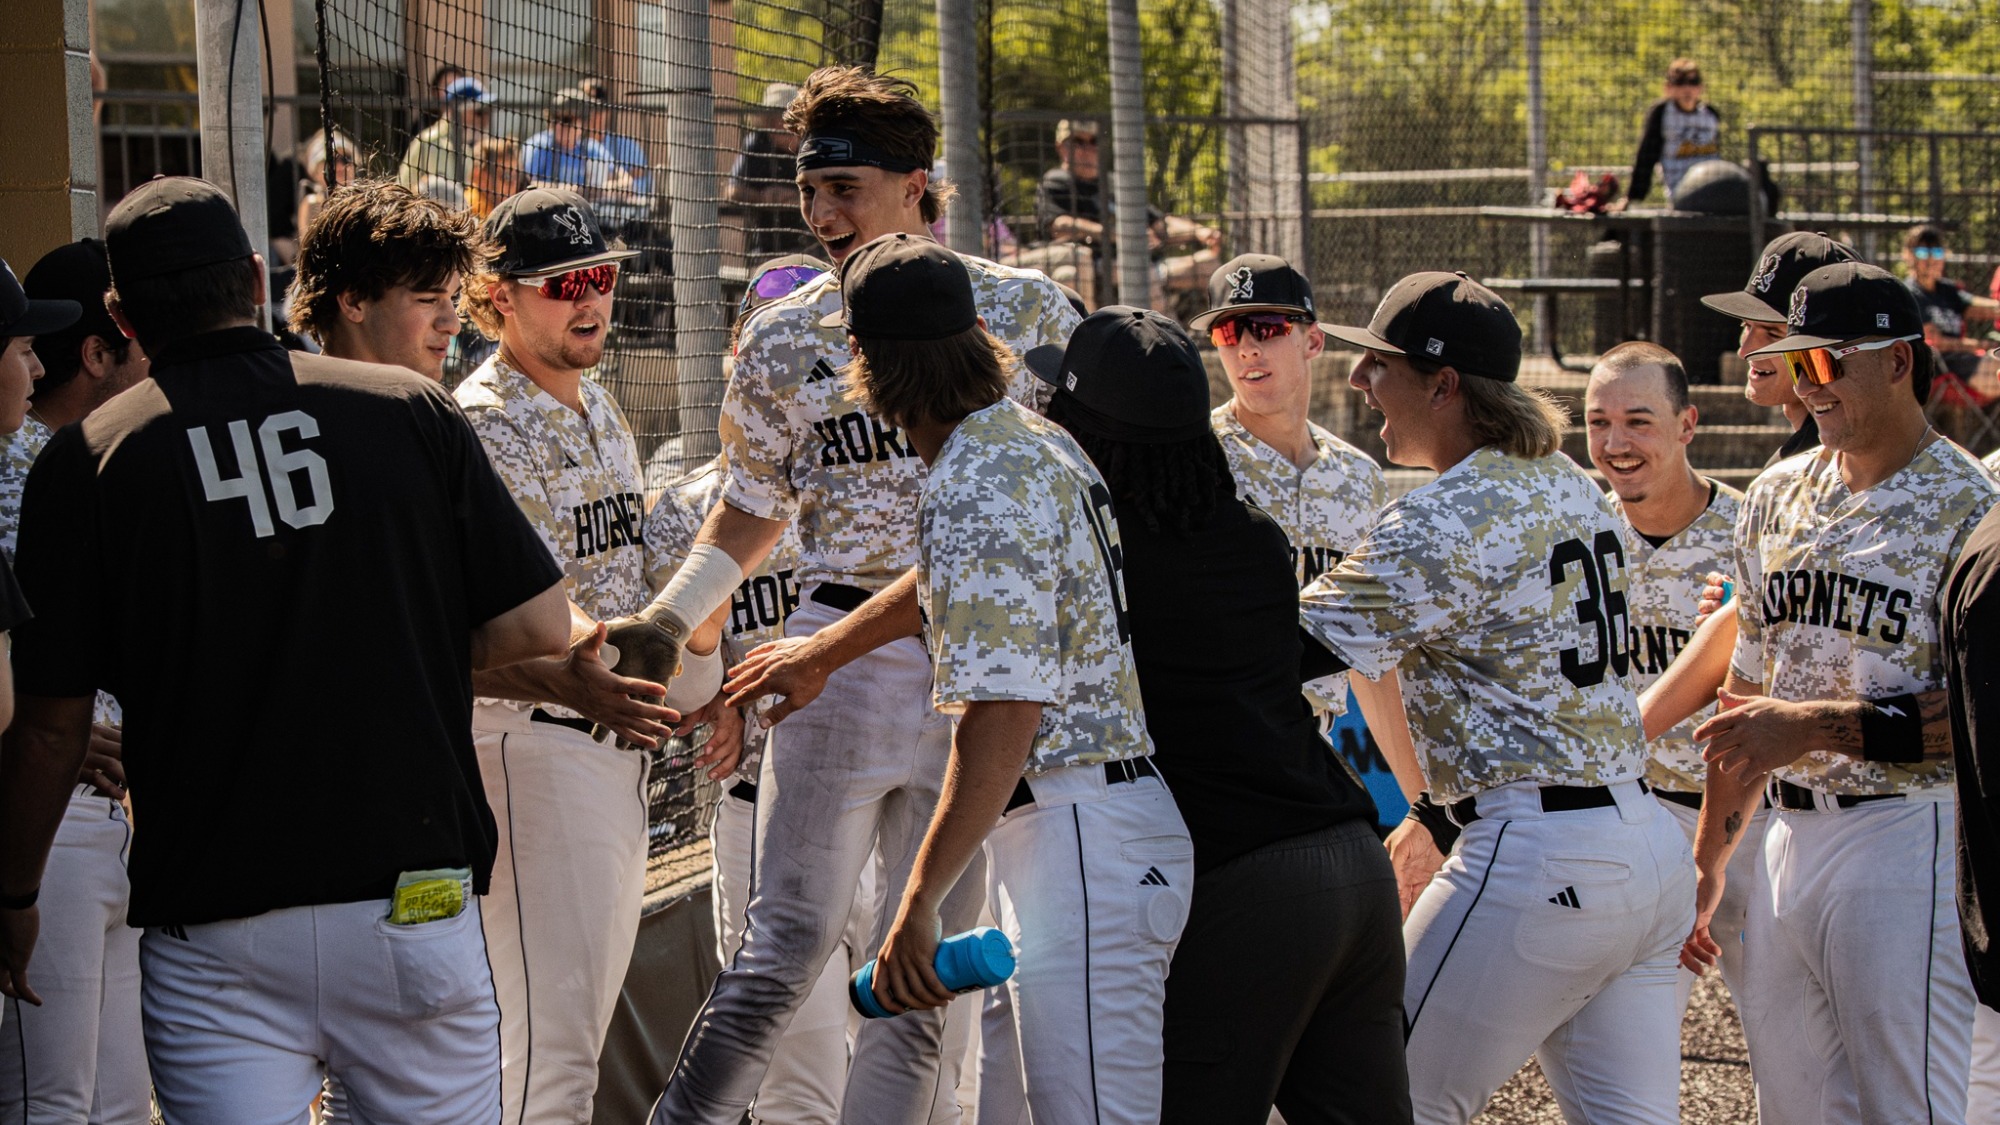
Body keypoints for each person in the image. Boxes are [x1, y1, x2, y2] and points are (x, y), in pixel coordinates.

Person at [0, 176, 574, 1121]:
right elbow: (539, 627)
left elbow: (51, 731)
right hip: (411, 897)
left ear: (122, 312)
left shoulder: (92, 455)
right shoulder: (406, 408)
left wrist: (15, 892)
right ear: (256, 276)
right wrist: (386, 630)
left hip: (214, 926)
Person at [643, 66, 1080, 1125]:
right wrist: (667, 618)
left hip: (979, 656)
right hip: (831, 647)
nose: (822, 214)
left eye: (846, 188)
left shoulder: (1026, 309)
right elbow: (747, 507)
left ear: (916, 186)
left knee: (921, 960)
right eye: (809, 191)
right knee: (782, 943)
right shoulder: (786, 332)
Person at [1301, 271, 1694, 1122]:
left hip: (1541, 853)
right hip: (1645, 848)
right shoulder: (1563, 479)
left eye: (1381, 364)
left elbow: (1282, 648)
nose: (1363, 381)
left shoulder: (1450, 512)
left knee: (1365, 1101)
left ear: (1444, 384)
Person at [1027, 305, 1408, 1123]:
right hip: (1352, 866)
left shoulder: (1100, 557)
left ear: (1087, 429)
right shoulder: (1253, 535)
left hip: (1247, 887)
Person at [840, 237, 1192, 1124]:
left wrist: (917, 901)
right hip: (1090, 826)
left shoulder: (979, 474)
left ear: (873, 369)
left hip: (1082, 832)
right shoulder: (1031, 439)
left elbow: (1007, 709)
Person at [1684, 261, 1996, 1122]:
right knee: (1793, 1107)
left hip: (1908, 836)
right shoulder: (1777, 494)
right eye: (1796, 359)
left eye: (1825, 361)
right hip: (1784, 834)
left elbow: (1980, 720)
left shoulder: (1974, 508)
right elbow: (1745, 705)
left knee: (1911, 1106)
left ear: (1898, 361)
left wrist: (1814, 725)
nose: (1803, 381)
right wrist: (1709, 857)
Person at [454, 185, 723, 1123]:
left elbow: (642, 580)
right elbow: (522, 618)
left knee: (565, 1034)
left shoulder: (600, 405)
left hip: (604, 746)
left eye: (600, 276)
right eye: (563, 282)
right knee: (548, 1049)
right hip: (533, 741)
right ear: (497, 297)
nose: (589, 299)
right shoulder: (484, 421)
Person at [649, 254, 863, 1125]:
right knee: (794, 1071)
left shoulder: (888, 485)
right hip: (759, 802)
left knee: (918, 1045)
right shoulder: (689, 509)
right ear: (745, 351)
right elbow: (685, 676)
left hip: (889, 787)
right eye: (768, 336)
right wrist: (719, 693)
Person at [1184, 254, 1416, 811]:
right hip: (1215, 747)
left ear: (1313, 341)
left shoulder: (1359, 476)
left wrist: (1422, 805)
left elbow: (1370, 648)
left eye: (1266, 328)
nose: (1246, 348)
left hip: (1317, 743)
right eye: (1228, 330)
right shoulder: (1193, 458)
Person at [1582, 343, 1759, 1021]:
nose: (1615, 443)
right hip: (1624, 816)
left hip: (1742, 813)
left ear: (1688, 424)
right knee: (1620, 1033)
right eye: (1599, 422)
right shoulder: (1578, 534)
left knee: (1786, 1044)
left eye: (1638, 420)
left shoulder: (1750, 529)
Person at [289, 179, 478, 382]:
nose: (452, 324)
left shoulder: (427, 408)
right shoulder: (290, 403)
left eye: (453, 298)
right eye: (428, 300)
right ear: (353, 302)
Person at [1699, 230, 1859, 467]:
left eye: (1773, 334)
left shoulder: (1823, 464)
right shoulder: (1816, 450)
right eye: (1746, 325)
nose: (1746, 351)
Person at [1035, 119, 1221, 313]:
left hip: (1145, 262)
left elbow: (1158, 222)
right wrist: (1117, 234)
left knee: (1210, 266)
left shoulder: (1115, 182)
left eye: (1094, 141)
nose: (1087, 149)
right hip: (1100, 264)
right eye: (1078, 142)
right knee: (1145, 279)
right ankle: (1166, 339)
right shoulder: (1055, 182)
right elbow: (1058, 224)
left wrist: (1200, 231)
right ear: (1061, 147)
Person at [1610, 58, 1721, 212]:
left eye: (1693, 82)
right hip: (1683, 192)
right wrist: (1633, 197)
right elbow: (1646, 157)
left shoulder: (1711, 114)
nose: (1687, 88)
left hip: (1716, 189)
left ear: (1701, 87)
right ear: (1669, 87)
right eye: (1680, 82)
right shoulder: (1662, 113)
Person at [724, 81, 812, 256]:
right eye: (772, 118)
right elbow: (731, 192)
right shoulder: (757, 143)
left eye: (784, 117)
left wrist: (797, 197)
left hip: (812, 244)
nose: (778, 124)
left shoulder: (811, 145)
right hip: (764, 248)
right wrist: (763, 197)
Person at [1902, 224, 1999, 382]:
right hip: (1940, 366)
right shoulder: (1909, 292)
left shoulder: (1947, 290)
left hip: (1965, 361)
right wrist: (1986, 344)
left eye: (1937, 252)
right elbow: (1939, 343)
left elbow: (1980, 307)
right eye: (1923, 252)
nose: (1931, 259)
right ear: (1909, 255)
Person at [399, 75, 496, 191]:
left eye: (488, 111)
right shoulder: (427, 142)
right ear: (456, 110)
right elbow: (402, 188)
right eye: (479, 112)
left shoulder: (485, 147)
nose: (486, 119)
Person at [521, 89, 619, 195]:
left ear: (582, 122)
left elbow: (625, 181)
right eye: (555, 117)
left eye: (566, 119)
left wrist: (599, 190)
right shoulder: (538, 145)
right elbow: (524, 183)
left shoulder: (591, 149)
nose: (558, 125)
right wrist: (571, 191)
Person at [579, 78, 650, 194]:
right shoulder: (571, 148)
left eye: (599, 109)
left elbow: (640, 185)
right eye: (589, 109)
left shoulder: (628, 147)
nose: (594, 115)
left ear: (608, 111)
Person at [296, 128, 360, 241]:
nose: (340, 167)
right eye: (332, 161)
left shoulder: (365, 199)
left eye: (346, 159)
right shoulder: (312, 204)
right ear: (315, 172)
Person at [467, 137, 524, 221]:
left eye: (517, 176)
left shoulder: (511, 211)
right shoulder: (467, 210)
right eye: (506, 176)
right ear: (480, 177)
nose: (514, 184)